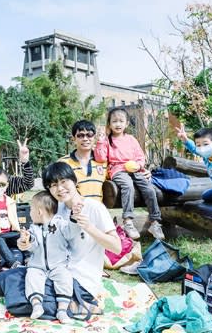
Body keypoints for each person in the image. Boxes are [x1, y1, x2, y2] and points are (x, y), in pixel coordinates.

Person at [19, 162, 121, 303]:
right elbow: (41, 238)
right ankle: (68, 306)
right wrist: (26, 242)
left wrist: (89, 227)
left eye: (63, 181)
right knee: (11, 277)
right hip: (54, 272)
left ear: (74, 181)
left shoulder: (94, 208)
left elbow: (116, 247)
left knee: (27, 294)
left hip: (81, 279)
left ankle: (78, 305)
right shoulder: (55, 210)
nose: (60, 188)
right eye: (53, 185)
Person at [94, 107, 165, 240]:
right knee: (128, 186)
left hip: (134, 169)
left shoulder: (131, 139)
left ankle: (155, 222)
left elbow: (140, 156)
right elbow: (100, 158)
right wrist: (100, 141)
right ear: (109, 124)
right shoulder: (107, 140)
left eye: (121, 121)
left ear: (126, 123)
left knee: (149, 189)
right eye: (114, 121)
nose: (118, 124)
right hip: (117, 170)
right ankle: (128, 221)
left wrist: (138, 165)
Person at [22, 191, 80, 324]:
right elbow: (33, 246)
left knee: (65, 278)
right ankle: (36, 305)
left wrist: (74, 218)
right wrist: (27, 240)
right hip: (37, 266)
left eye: (31, 209)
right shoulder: (33, 228)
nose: (30, 213)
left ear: (40, 212)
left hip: (58, 265)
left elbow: (71, 231)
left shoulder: (60, 224)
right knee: (31, 276)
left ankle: (62, 310)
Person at [58, 120, 107, 202]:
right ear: (74, 138)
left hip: (98, 212)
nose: (85, 139)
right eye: (80, 135)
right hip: (73, 212)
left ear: (94, 137)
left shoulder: (103, 161)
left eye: (89, 135)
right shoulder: (62, 163)